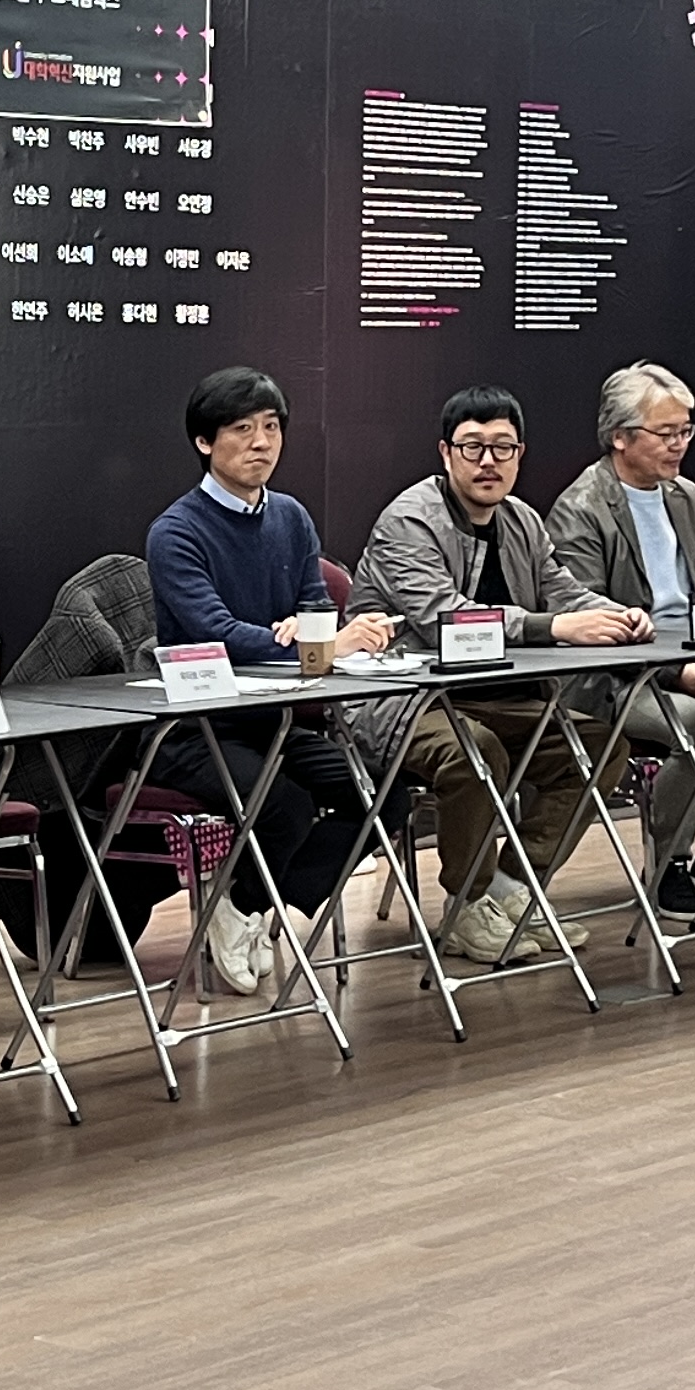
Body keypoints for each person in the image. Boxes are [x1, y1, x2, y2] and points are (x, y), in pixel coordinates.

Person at [346, 388, 646, 964]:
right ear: (445, 452)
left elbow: (563, 592)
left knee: (599, 746)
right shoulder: (408, 520)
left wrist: (617, 614)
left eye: (502, 447)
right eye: (473, 447)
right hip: (404, 699)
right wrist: (555, 627)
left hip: (494, 697)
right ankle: (466, 906)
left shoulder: (522, 520)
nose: (489, 461)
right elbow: (444, 618)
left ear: (520, 453)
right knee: (474, 753)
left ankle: (509, 887)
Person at [143, 366, 390, 995]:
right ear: (204, 441)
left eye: (272, 427)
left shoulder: (290, 516)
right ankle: (245, 903)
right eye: (242, 429)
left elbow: (315, 607)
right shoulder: (176, 531)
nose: (262, 443)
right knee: (285, 804)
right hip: (196, 727)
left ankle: (246, 902)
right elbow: (215, 633)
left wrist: (318, 633)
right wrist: (316, 644)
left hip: (274, 719)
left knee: (382, 793)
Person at [546, 363, 695, 910]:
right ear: (619, 436)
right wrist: (673, 673)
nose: (679, 444)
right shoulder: (580, 509)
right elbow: (590, 622)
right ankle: (669, 866)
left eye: (685, 431)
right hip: (619, 679)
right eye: (665, 433)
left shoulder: (686, 496)